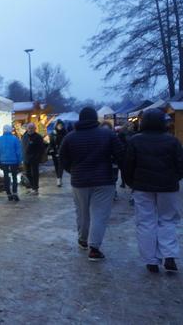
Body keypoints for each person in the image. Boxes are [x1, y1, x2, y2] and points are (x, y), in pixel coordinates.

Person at [60, 107, 125, 262]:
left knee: (82, 212)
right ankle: (94, 248)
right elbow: (121, 155)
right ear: (95, 118)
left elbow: (63, 159)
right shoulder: (108, 134)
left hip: (79, 181)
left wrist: (73, 170)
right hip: (104, 180)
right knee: (100, 214)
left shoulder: (70, 137)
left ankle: (83, 240)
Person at [123, 109, 183, 273]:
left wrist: (132, 183)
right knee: (168, 220)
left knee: (145, 222)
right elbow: (180, 165)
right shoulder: (172, 141)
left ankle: (151, 261)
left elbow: (128, 165)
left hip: (142, 187)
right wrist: (174, 178)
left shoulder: (135, 141)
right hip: (168, 187)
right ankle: (169, 256)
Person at [0, 124, 22, 201]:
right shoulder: (15, 139)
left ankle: (9, 194)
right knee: (14, 177)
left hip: (3, 162)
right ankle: (15, 193)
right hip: (14, 161)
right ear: (11, 130)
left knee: (6, 178)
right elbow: (19, 151)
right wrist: (19, 161)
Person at [21, 123, 45, 195]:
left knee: (34, 174)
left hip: (34, 159)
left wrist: (38, 157)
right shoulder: (24, 136)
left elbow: (41, 149)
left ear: (35, 129)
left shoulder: (38, 137)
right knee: (27, 173)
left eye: (32, 128)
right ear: (27, 129)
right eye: (29, 128)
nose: (30, 130)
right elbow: (22, 147)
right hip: (26, 158)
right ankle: (32, 187)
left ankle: (35, 188)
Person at [48, 120, 68, 187]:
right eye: (59, 125)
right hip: (55, 152)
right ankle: (58, 177)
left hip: (63, 151)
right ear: (56, 126)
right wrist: (51, 149)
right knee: (56, 165)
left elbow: (67, 142)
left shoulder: (65, 132)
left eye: (61, 125)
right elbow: (51, 143)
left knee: (60, 165)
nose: (60, 126)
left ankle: (59, 179)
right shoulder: (53, 133)